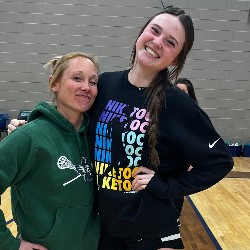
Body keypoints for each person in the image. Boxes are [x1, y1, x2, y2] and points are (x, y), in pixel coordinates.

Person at [8, 6, 234, 250]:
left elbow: (220, 161)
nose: (157, 42)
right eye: (154, 31)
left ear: (176, 58)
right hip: (102, 229)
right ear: (141, 33)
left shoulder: (178, 104)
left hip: (151, 234)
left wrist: (166, 185)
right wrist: (33, 127)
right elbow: (72, 120)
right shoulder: (105, 84)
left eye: (170, 42)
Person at [1, 52, 101, 250]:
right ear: (53, 83)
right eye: (77, 78)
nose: (86, 87)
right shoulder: (29, 137)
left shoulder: (96, 137)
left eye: (93, 82)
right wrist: (8, 244)